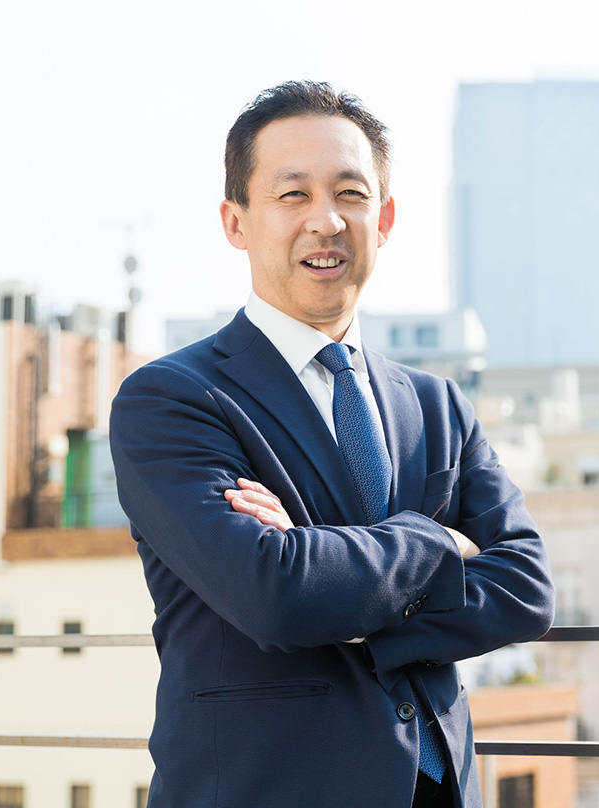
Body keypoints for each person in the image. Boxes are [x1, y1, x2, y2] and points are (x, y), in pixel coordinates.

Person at [109, 80, 554, 808]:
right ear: (235, 221)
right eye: (293, 195)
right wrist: (441, 541)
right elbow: (275, 595)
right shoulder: (171, 399)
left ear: (385, 218)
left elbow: (527, 588)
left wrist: (338, 592)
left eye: (351, 194)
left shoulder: (438, 405)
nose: (326, 220)